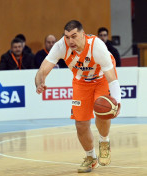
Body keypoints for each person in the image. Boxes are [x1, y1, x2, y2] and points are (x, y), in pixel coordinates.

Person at [35, 20, 121, 173]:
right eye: (67, 37)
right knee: (80, 125)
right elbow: (42, 69)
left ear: (83, 34)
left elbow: (112, 78)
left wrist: (117, 103)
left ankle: (104, 141)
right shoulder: (61, 46)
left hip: (102, 78)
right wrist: (39, 82)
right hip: (81, 82)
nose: (70, 41)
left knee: (102, 113)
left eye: (74, 36)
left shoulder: (97, 46)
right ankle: (90, 158)